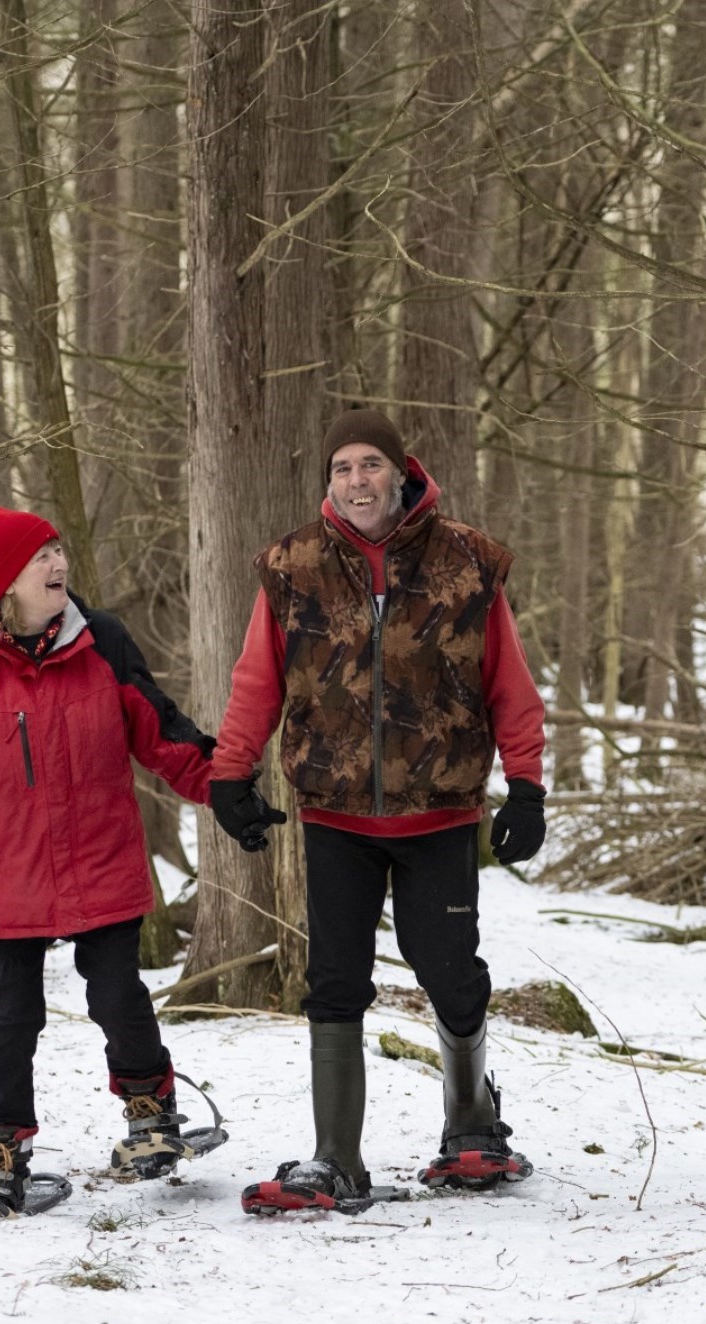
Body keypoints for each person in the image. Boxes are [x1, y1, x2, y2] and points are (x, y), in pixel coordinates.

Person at [210, 409, 548, 1215]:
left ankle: (473, 1124)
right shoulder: (291, 567)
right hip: (334, 814)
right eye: (341, 468)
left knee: (449, 971)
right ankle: (338, 1158)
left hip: (438, 812)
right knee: (334, 981)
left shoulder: (467, 563)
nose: (356, 481)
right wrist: (231, 774)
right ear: (328, 481)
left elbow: (510, 682)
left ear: (400, 472)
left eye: (370, 465)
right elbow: (259, 680)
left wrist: (527, 785)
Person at [0, 505, 218, 1218]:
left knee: (117, 993)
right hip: (12, 875)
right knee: (11, 1015)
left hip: (102, 862)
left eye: (58, 549)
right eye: (39, 557)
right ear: (3, 584)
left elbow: (163, 734)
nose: (58, 564)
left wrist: (228, 788)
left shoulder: (103, 641)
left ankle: (151, 1112)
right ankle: (1, 1153)